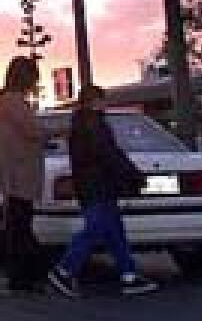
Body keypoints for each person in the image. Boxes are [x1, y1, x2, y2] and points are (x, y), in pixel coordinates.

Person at [47, 85, 159, 297]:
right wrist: (132, 174)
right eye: (101, 100)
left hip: (91, 185)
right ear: (94, 101)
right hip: (99, 185)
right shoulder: (94, 124)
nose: (104, 104)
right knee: (97, 228)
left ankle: (128, 275)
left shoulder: (80, 124)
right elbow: (109, 153)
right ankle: (64, 270)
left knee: (114, 231)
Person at [0, 56, 47, 291]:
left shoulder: (10, 102)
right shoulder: (12, 102)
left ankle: (9, 267)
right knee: (19, 223)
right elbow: (33, 130)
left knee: (18, 224)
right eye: (33, 76)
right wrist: (56, 129)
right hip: (16, 171)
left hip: (17, 169)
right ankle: (15, 270)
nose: (36, 80)